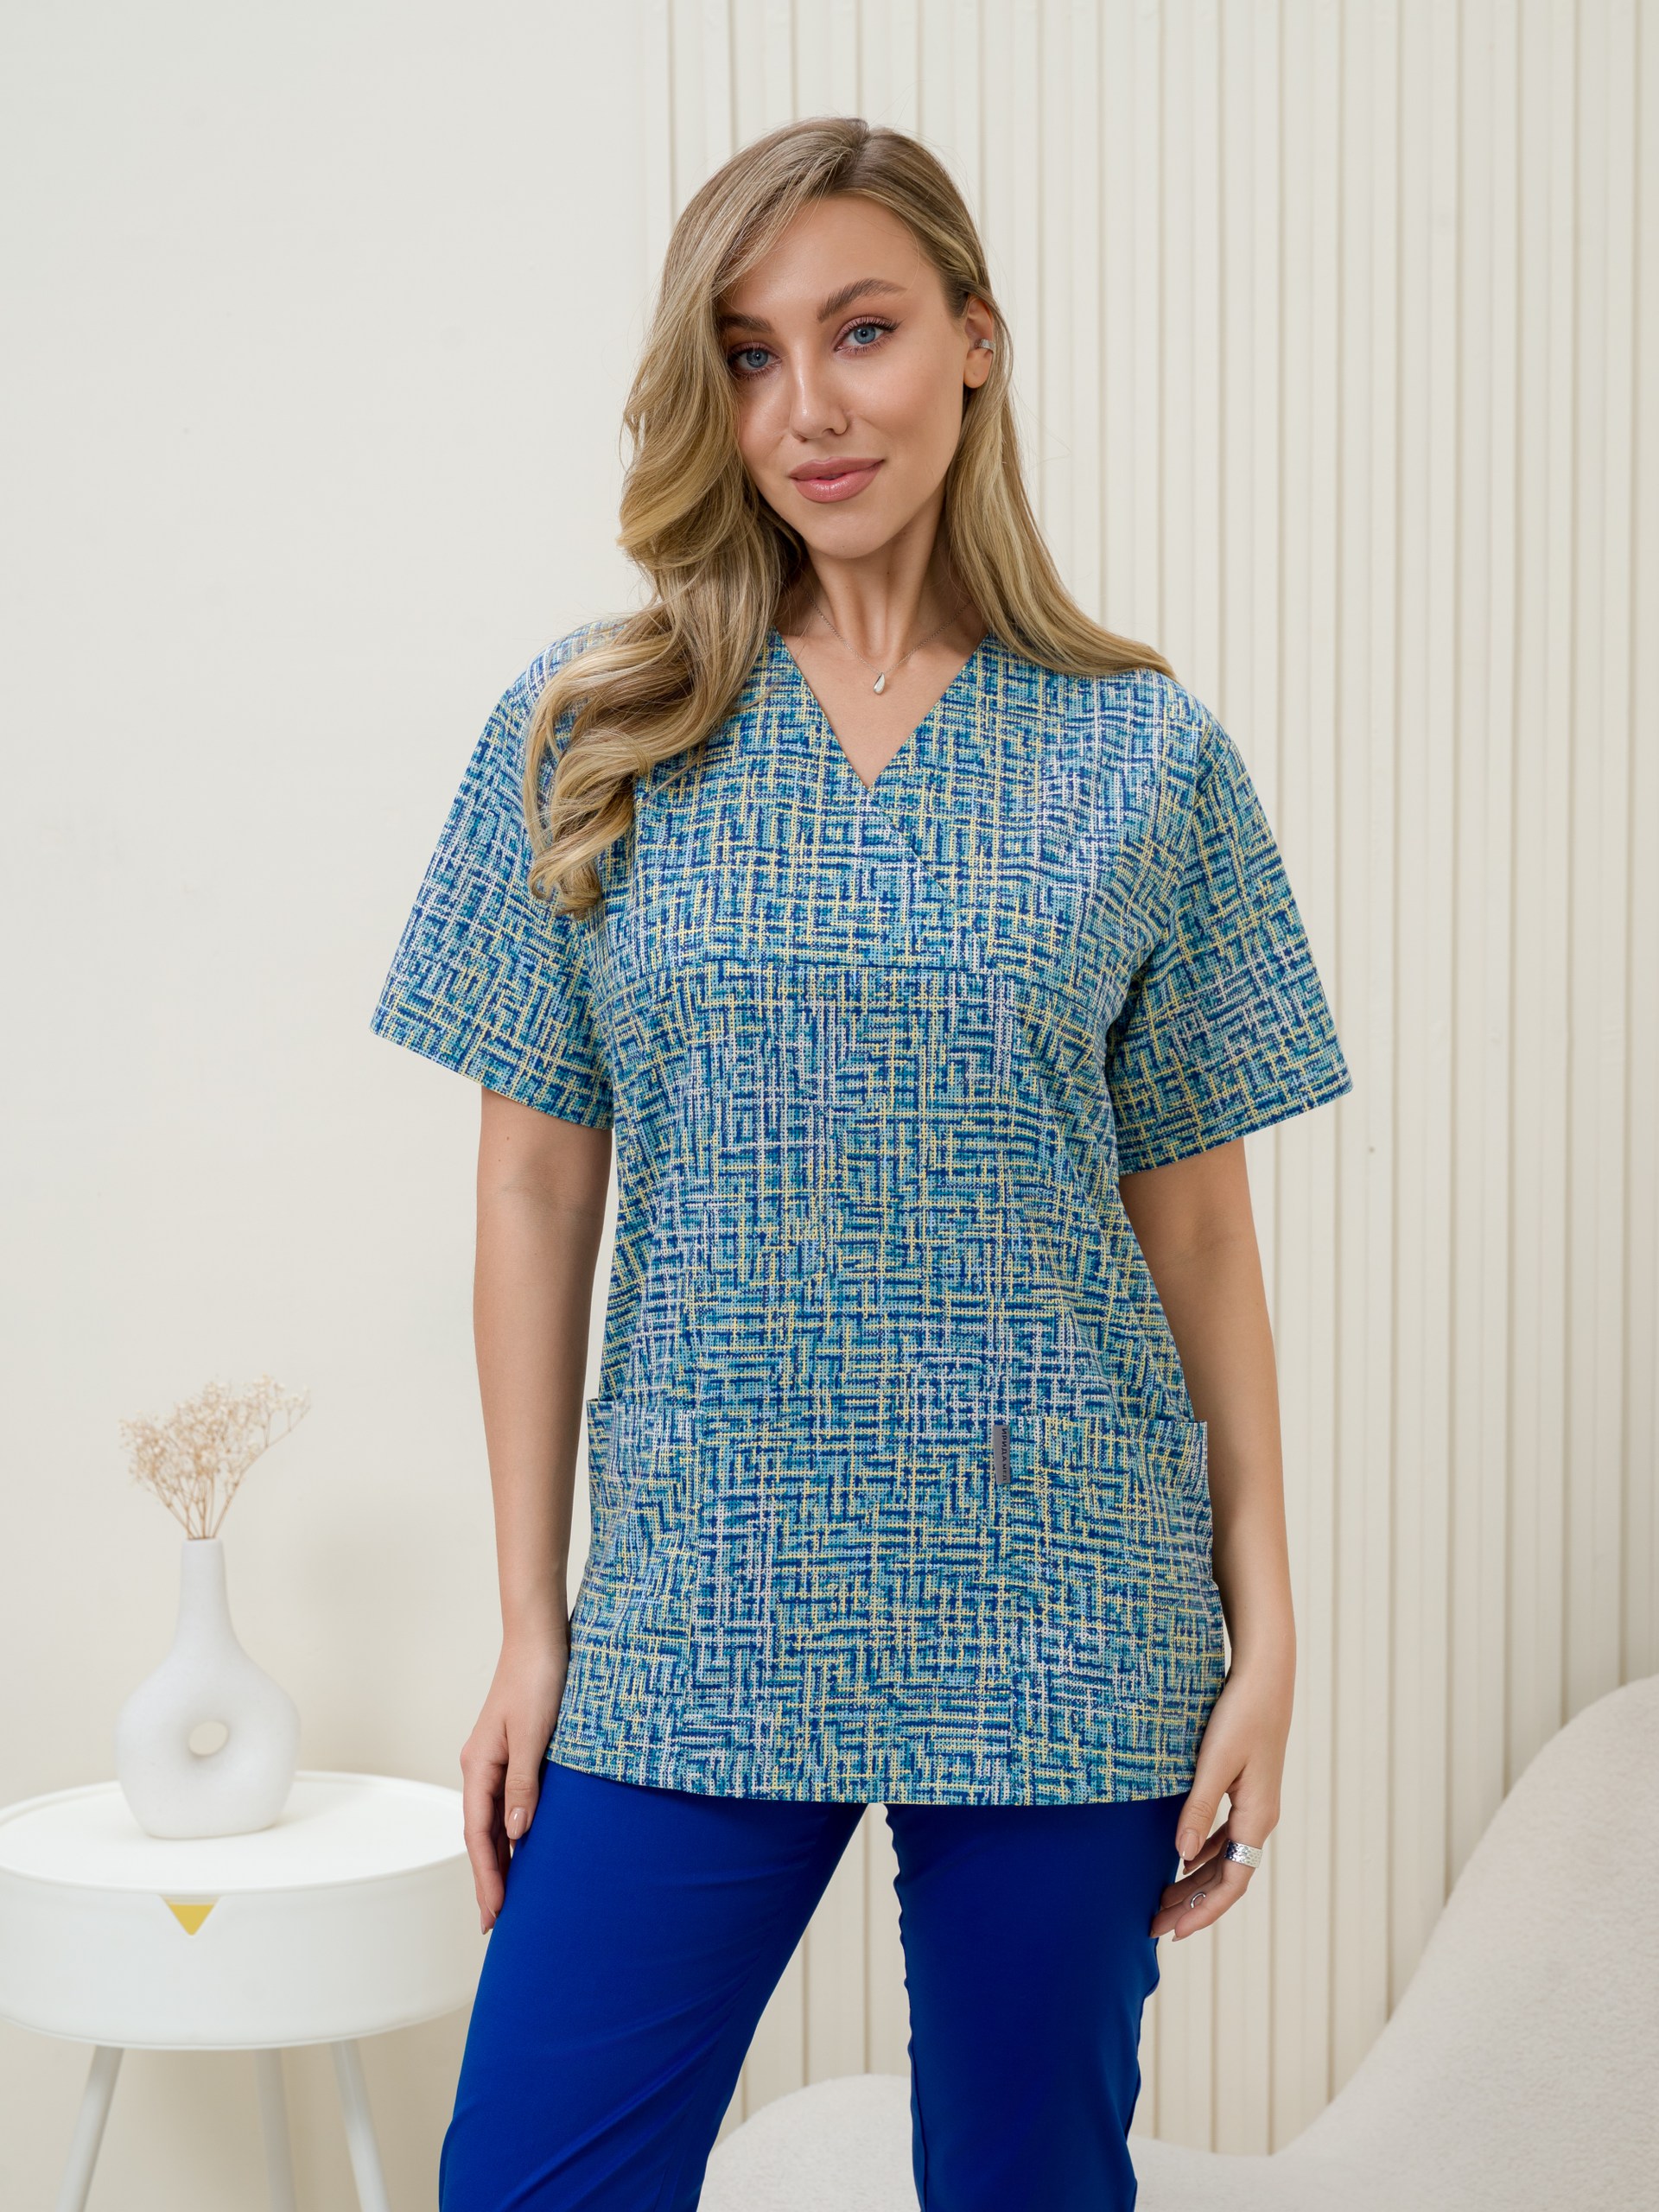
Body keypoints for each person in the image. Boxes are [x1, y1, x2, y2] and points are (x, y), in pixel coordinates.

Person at [371, 115, 1352, 2212]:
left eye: (864, 330)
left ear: (977, 340)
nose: (807, 406)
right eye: (747, 354)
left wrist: (1266, 1618)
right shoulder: (592, 730)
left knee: (1029, 2184)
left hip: (1065, 1603)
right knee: (532, 2176)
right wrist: (532, 1620)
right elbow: (534, 1195)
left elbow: (1197, 1222)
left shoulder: (1145, 754)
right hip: (698, 1596)